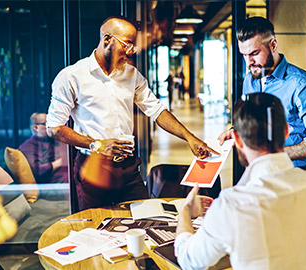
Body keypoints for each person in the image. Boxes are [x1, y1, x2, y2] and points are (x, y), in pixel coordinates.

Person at [46, 16, 218, 211]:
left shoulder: (131, 74)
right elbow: (54, 128)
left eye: (133, 46)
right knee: (97, 229)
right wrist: (97, 144)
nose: (131, 52)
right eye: (127, 44)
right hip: (93, 168)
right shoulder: (72, 76)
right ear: (107, 39)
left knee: (147, 219)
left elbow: (156, 110)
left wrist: (190, 138)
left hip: (129, 168)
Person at [175, 93, 306, 269]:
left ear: (237, 139)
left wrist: (185, 213)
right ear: (286, 131)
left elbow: (189, 260)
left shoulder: (233, 204)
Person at [218, 17, 306, 169]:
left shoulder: (302, 85)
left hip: (293, 174)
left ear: (273, 45)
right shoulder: (250, 79)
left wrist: (274, 155)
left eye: (254, 53)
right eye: (244, 55)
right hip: (257, 170)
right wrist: (236, 131)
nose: (249, 62)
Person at [19, 113, 68, 184]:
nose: (50, 126)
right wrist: (61, 162)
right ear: (36, 127)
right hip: (51, 185)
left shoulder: (53, 140)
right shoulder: (27, 146)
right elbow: (37, 171)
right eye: (46, 123)